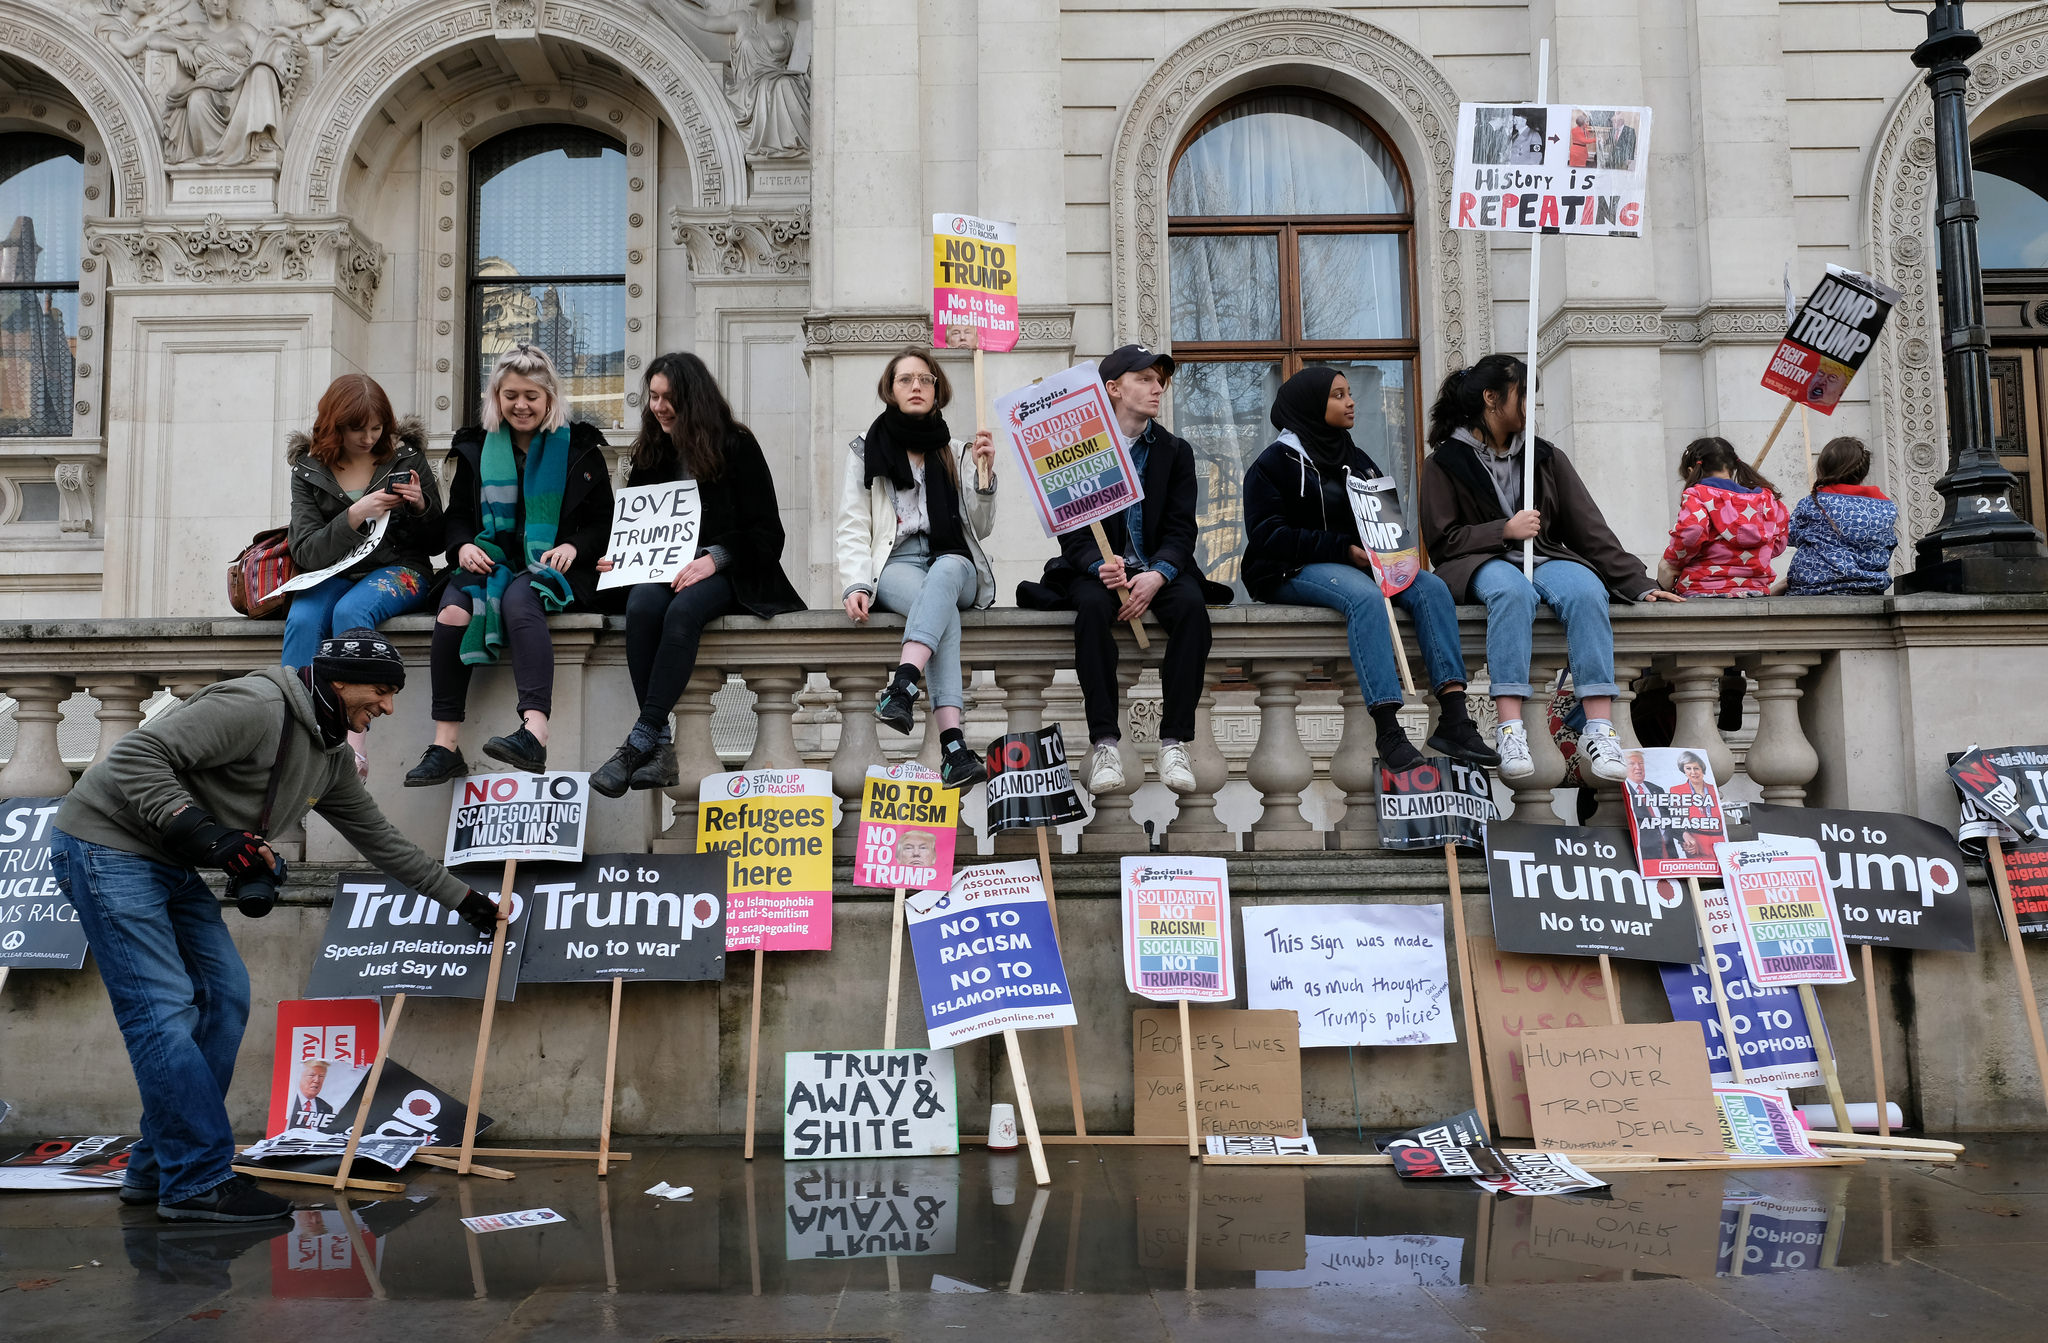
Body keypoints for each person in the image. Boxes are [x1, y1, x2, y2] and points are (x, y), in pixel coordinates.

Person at [51, 630, 502, 1222]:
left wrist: (465, 900)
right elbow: (135, 756)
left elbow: (381, 841)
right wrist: (202, 831)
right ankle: (196, 1181)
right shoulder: (256, 706)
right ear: (339, 681)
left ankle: (161, 1166)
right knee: (162, 1011)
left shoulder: (329, 756)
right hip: (105, 847)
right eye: (381, 691)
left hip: (168, 862)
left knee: (227, 997)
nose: (388, 707)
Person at [1418, 354, 1684, 782]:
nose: (1532, 405)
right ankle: (1510, 728)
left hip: (1541, 555)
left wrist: (1638, 583)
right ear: (1491, 398)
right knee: (1512, 592)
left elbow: (1588, 528)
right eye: (1524, 394)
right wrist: (1503, 530)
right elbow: (1441, 540)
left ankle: (1599, 728)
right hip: (1478, 563)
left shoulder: (1543, 456)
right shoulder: (1444, 461)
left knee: (1586, 589)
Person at [1242, 366, 1497, 771]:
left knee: (1431, 588)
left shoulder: (1356, 459)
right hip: (1289, 568)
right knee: (1365, 598)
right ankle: (1388, 730)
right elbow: (1267, 535)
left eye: (1348, 393)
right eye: (1338, 395)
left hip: (1357, 561)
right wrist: (1343, 549)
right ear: (1311, 405)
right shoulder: (1274, 464)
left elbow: (1384, 519)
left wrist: (1394, 550)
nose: (1350, 402)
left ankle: (1454, 717)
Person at [591, 354, 804, 797]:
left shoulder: (737, 446)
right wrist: (620, 558)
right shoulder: (649, 453)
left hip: (732, 576)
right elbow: (636, 527)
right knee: (641, 605)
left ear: (694, 399)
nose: (659, 407)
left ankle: (640, 741)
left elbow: (768, 533)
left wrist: (716, 558)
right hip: (663, 573)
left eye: (669, 398)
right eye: (653, 397)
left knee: (684, 611)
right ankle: (658, 743)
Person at [406, 344, 613, 784]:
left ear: (550, 398)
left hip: (553, 566)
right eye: (511, 395)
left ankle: (534, 731)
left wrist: (574, 546)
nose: (521, 405)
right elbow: (458, 516)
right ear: (496, 397)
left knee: (521, 599)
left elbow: (603, 522)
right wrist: (462, 546)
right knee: (452, 611)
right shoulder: (476, 448)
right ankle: (445, 745)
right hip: (490, 559)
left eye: (531, 396)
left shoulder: (580, 448)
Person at [1035, 345, 1233, 794]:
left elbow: (1183, 529)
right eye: (1144, 378)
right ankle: (1105, 744)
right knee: (1090, 611)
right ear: (1113, 388)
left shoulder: (1175, 451)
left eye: (1159, 380)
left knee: (1191, 610)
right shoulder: (1078, 450)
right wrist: (1096, 565)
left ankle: (1174, 742)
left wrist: (1158, 574)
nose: (1157, 387)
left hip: (1158, 570)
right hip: (1100, 574)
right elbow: (1072, 533)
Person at [841, 349, 998, 791]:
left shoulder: (956, 450)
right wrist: (855, 582)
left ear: (937, 389)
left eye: (925, 379)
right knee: (941, 613)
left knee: (946, 574)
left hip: (954, 560)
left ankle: (903, 684)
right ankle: (954, 749)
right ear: (890, 390)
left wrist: (985, 479)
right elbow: (853, 522)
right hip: (896, 563)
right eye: (905, 379)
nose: (916, 386)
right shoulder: (867, 449)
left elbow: (981, 527)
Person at [282, 374, 441, 778]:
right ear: (334, 426)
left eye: (377, 428)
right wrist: (354, 515)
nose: (369, 438)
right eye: (357, 430)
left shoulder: (406, 458)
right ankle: (295, 734)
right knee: (302, 619)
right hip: (331, 573)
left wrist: (420, 505)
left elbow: (437, 541)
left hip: (402, 570)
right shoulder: (309, 470)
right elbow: (306, 551)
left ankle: (354, 743)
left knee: (351, 612)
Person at [1657, 436, 1789, 597]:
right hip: (1755, 590)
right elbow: (1779, 544)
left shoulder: (1698, 494)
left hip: (1703, 589)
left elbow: (1693, 530)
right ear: (1733, 468)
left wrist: (1671, 560)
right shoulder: (1767, 498)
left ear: (1691, 471)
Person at [1786, 436, 1899, 595]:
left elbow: (1788, 535)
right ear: (1863, 472)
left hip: (1813, 588)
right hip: (1867, 588)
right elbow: (1889, 544)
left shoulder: (1812, 503)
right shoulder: (1887, 508)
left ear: (1822, 468)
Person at [288, 1060, 336, 1131]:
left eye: (321, 1076)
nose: (317, 1080)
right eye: (311, 1075)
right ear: (299, 1077)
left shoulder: (326, 1108)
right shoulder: (288, 1102)